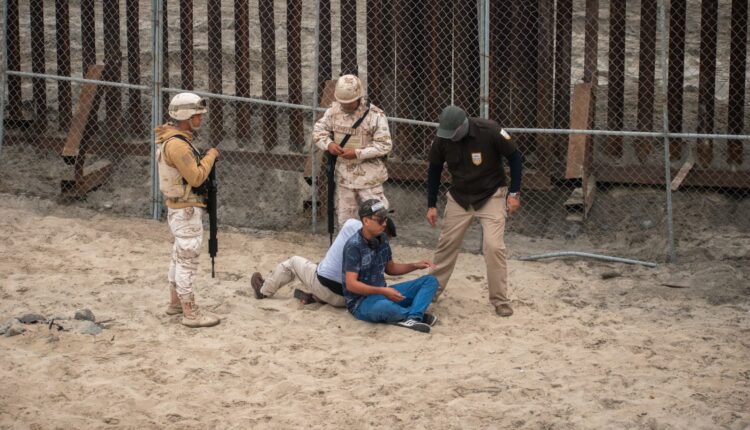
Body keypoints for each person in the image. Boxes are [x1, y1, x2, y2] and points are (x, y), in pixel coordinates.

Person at [425, 105, 523, 317]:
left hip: (491, 194)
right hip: (460, 196)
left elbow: (515, 157)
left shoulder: (490, 131)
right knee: (446, 245)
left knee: (494, 247)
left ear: (463, 125)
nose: (449, 138)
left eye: (453, 134)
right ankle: (431, 292)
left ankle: (500, 300)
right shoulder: (442, 137)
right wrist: (431, 204)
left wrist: (514, 193)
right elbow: (433, 170)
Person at [155, 92, 221, 328]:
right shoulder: (178, 145)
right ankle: (190, 312)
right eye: (196, 114)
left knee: (178, 257)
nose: (200, 119)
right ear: (186, 116)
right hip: (186, 209)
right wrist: (210, 157)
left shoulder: (172, 139)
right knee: (187, 262)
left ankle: (175, 304)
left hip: (180, 208)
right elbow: (195, 177)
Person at [250, 217, 397, 307]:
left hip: (326, 288)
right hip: (349, 300)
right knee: (325, 268)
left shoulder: (352, 225)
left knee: (293, 263)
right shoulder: (382, 248)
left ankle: (263, 291)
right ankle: (314, 297)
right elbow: (389, 270)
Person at [342, 199, 439, 333]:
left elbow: (391, 268)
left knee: (430, 281)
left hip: (383, 293)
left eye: (386, 219)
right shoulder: (353, 246)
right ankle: (414, 314)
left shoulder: (382, 239)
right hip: (361, 303)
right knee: (384, 306)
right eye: (380, 220)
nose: (384, 223)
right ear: (366, 221)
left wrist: (415, 265)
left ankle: (412, 317)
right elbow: (351, 284)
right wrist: (383, 291)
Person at [313, 74, 393, 225]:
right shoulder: (333, 112)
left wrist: (357, 153)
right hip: (345, 179)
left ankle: (376, 247)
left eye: (349, 102)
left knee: (377, 220)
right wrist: (329, 144)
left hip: (369, 180)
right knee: (346, 222)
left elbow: (385, 145)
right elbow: (318, 131)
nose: (346, 106)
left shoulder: (375, 116)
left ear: (359, 97)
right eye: (342, 102)